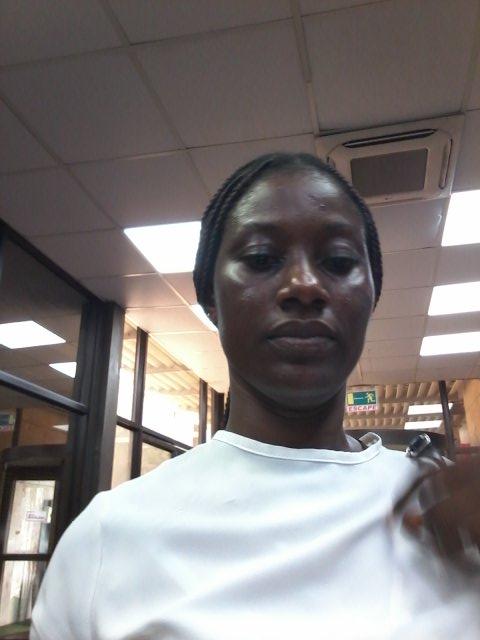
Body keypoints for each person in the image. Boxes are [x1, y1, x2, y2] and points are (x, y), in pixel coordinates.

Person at [30, 153, 480, 640]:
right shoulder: (105, 542)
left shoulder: (448, 514)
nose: (305, 286)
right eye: (262, 258)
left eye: (338, 262)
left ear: (372, 295)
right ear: (210, 299)